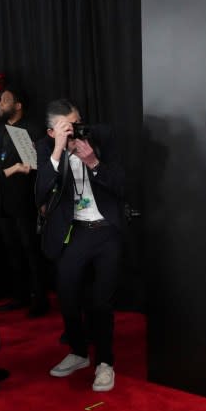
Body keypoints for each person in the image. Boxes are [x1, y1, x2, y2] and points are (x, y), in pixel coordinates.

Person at [35, 99, 125, 392]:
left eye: (77, 122)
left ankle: (105, 363)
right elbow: (40, 193)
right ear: (53, 131)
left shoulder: (102, 137)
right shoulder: (47, 147)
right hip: (75, 231)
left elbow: (123, 184)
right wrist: (59, 150)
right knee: (67, 292)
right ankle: (78, 352)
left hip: (106, 229)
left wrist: (92, 162)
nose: (77, 130)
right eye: (68, 127)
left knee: (101, 301)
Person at [0, 86, 49, 316]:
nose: (0, 105)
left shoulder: (33, 131)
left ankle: (40, 299)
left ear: (18, 105)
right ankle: (19, 295)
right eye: (0, 102)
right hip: (1, 204)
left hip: (24, 202)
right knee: (12, 252)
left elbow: (44, 167)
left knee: (31, 250)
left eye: (4, 101)